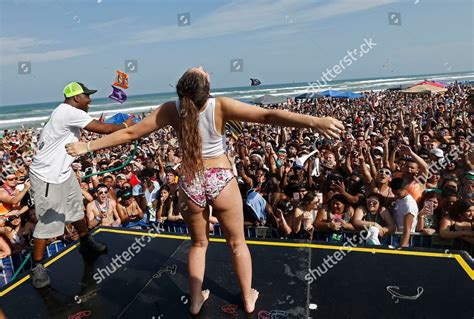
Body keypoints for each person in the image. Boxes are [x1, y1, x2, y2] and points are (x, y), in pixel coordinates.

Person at [65, 66, 343, 314]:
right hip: (220, 178)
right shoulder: (219, 105)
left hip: (190, 182)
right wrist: (314, 122)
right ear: (206, 90)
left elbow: (130, 133)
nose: (202, 67)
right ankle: (247, 298)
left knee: (198, 244)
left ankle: (196, 300)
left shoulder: (171, 108)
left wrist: (87, 146)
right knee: (237, 243)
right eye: (200, 71)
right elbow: (267, 115)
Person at [28, 82, 135, 289]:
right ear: (76, 98)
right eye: (87, 96)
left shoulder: (66, 112)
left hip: (63, 173)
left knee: (76, 209)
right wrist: (126, 125)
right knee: (50, 220)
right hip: (48, 176)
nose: (90, 100)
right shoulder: (68, 112)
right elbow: (105, 129)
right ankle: (37, 265)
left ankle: (85, 242)